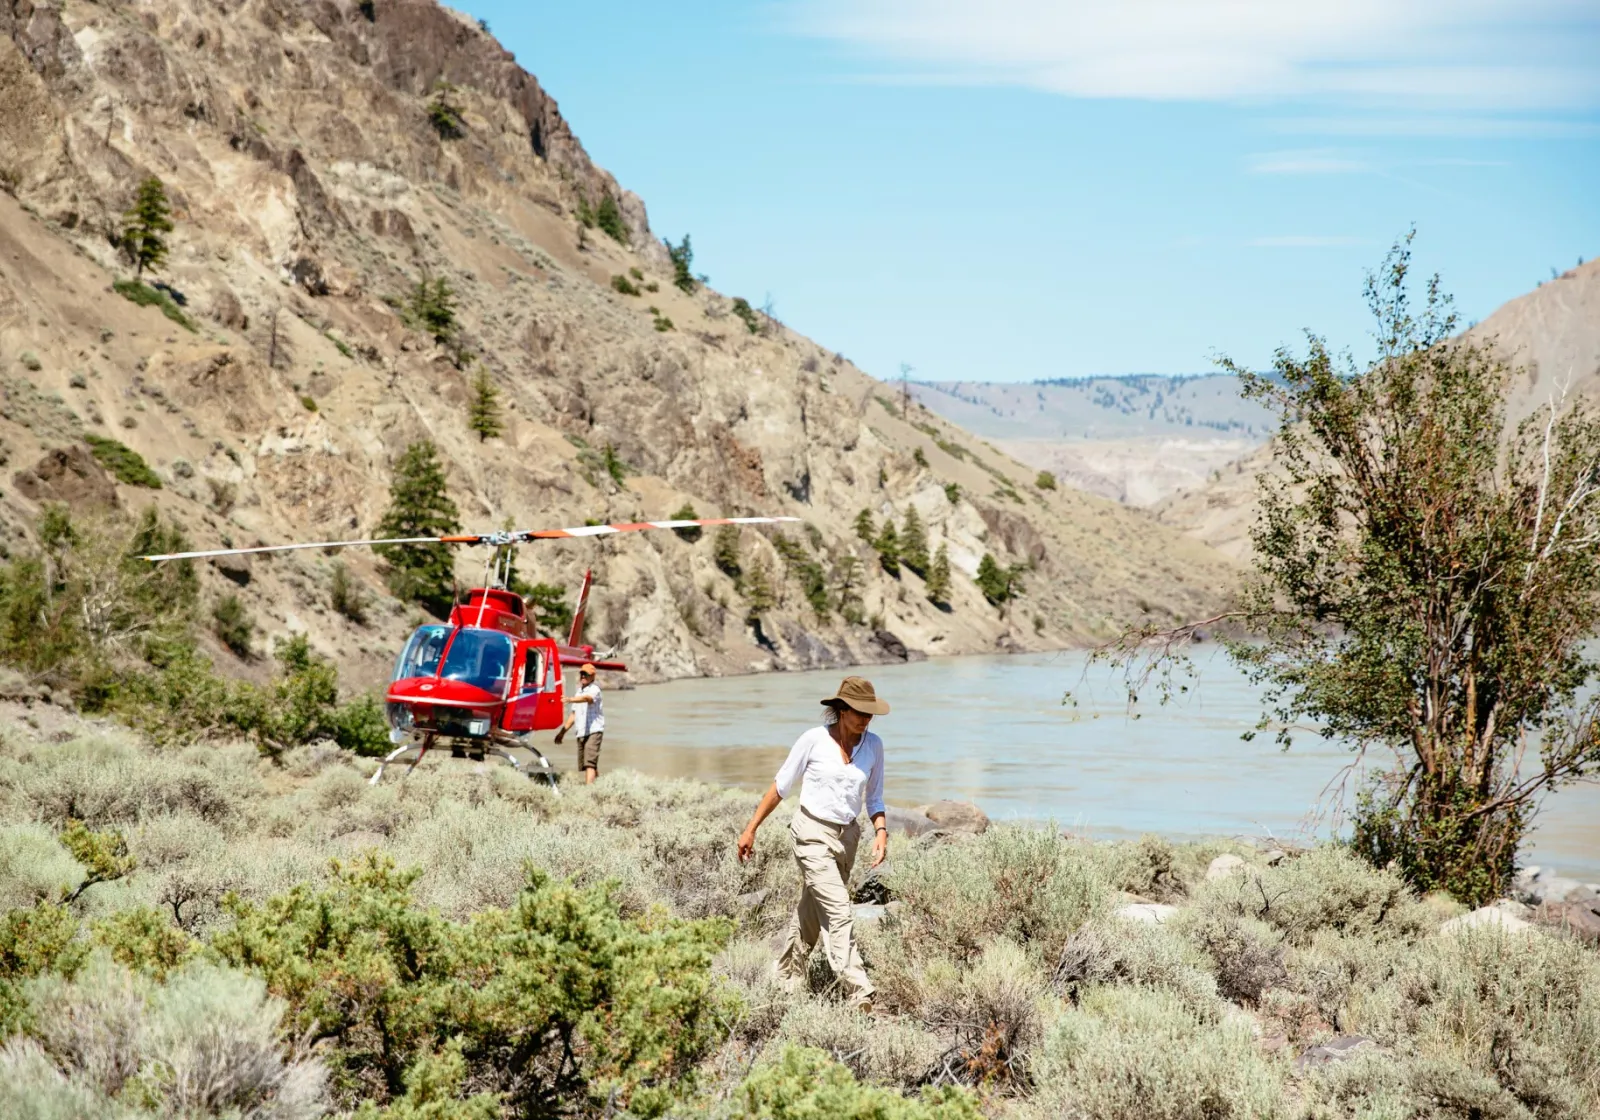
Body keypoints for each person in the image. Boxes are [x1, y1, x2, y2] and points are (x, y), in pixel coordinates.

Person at [737, 676, 889, 1012]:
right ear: (840, 709)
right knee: (837, 908)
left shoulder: (874, 745)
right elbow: (781, 786)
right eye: (859, 711)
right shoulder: (814, 740)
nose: (865, 718)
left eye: (870, 713)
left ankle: (786, 978)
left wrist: (880, 832)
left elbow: (874, 796)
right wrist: (751, 828)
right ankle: (859, 990)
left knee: (811, 909)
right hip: (811, 833)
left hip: (847, 836)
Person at [556, 662, 604, 784]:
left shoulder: (595, 689)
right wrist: (562, 732)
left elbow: (588, 699)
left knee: (589, 763)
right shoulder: (579, 692)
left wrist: (570, 699)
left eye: (586, 674)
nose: (583, 676)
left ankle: (589, 791)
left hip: (594, 730)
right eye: (582, 673)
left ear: (592, 676)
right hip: (581, 731)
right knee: (588, 762)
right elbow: (573, 715)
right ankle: (601, 784)